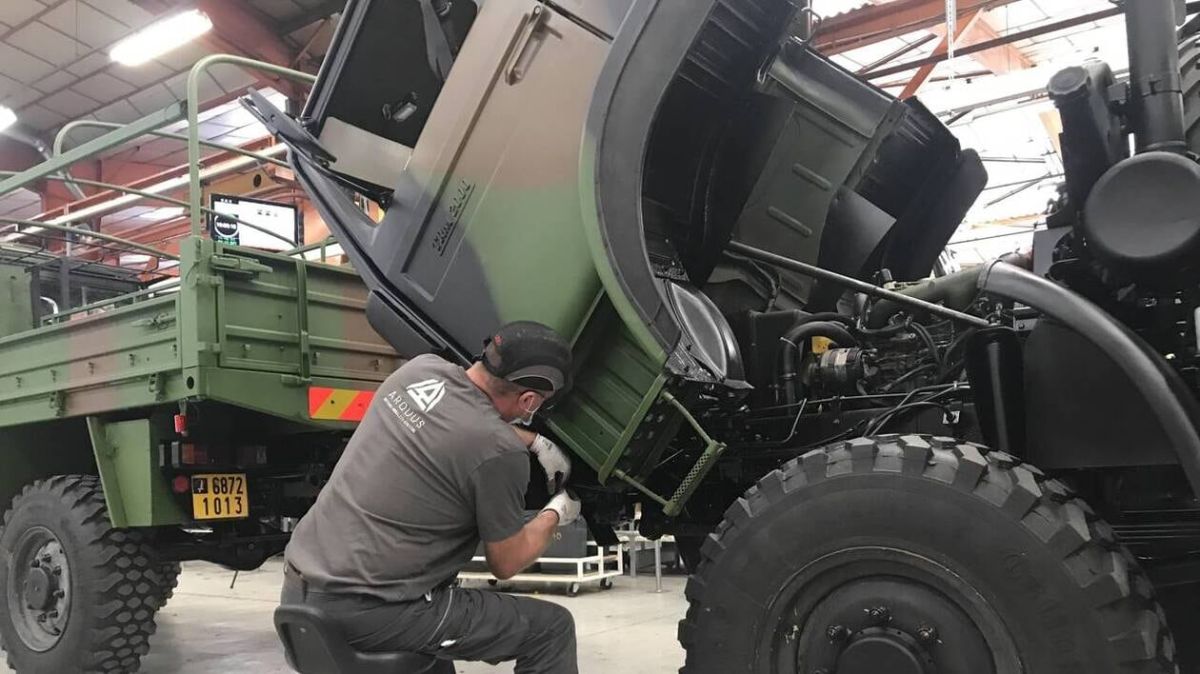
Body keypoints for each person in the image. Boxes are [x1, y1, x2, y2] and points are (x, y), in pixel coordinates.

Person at [280, 321, 581, 674]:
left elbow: (455, 422)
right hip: (375, 613)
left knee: (439, 641)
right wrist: (557, 512)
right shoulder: (499, 453)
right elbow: (506, 562)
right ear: (528, 399)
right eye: (537, 405)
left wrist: (533, 441)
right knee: (550, 629)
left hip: (301, 589)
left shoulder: (419, 371)